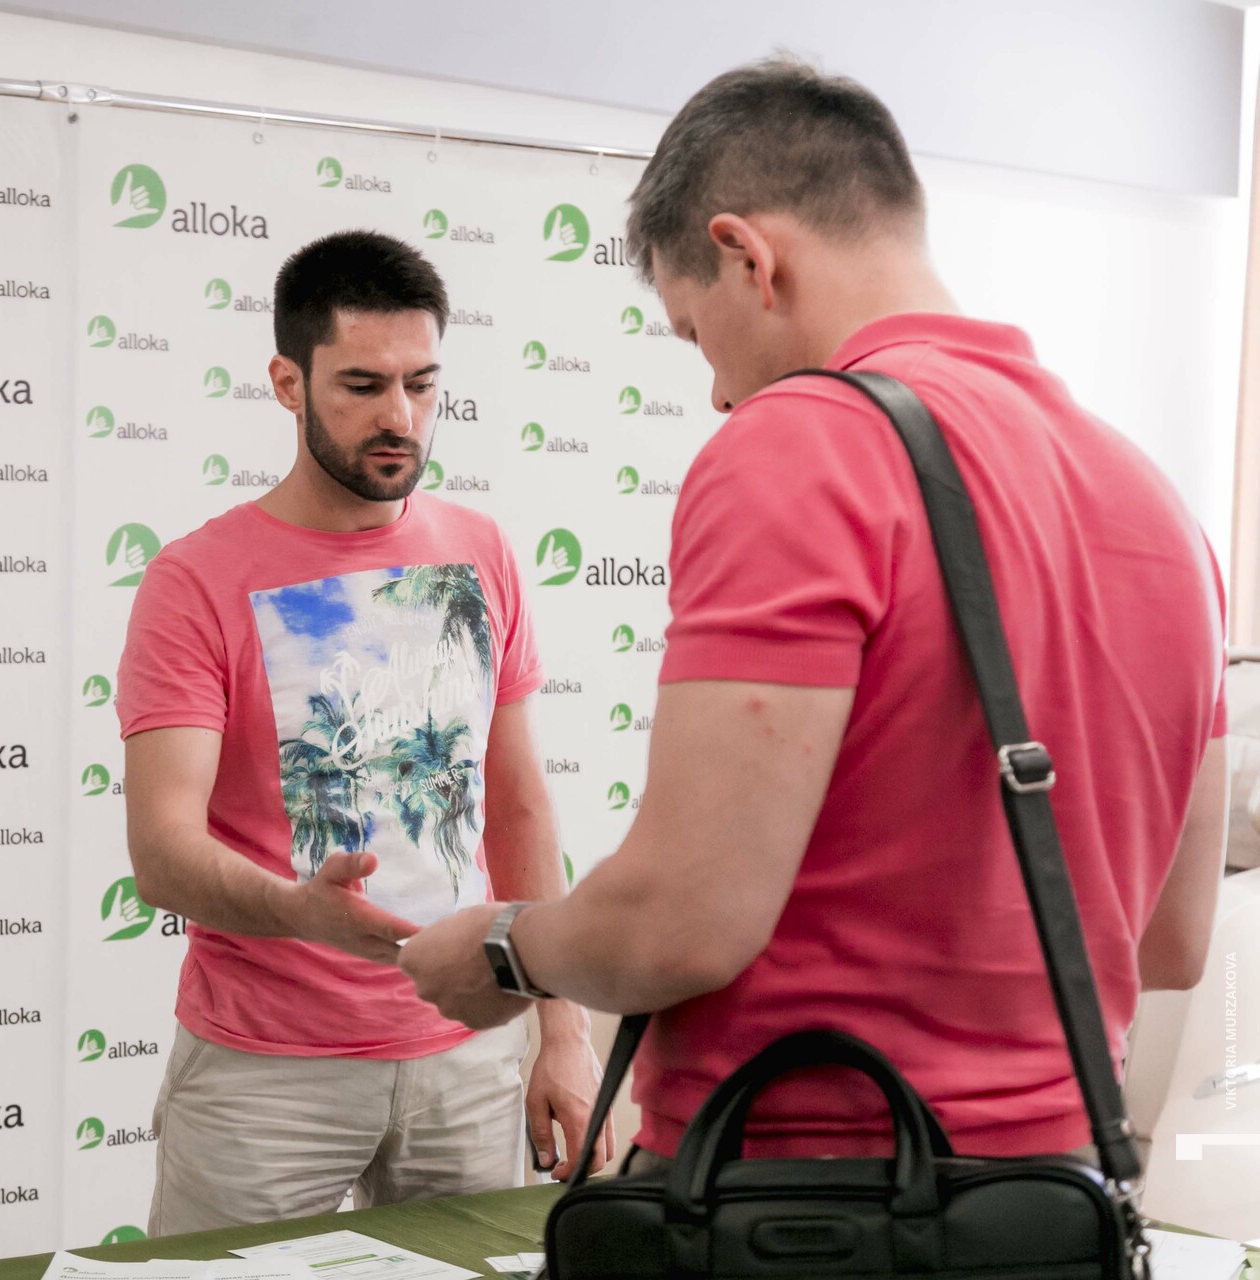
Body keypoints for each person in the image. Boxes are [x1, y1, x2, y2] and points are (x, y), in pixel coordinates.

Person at [400, 57, 1229, 1171]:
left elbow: (680, 919)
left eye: (695, 332)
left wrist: (505, 950)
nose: (716, 391)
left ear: (750, 256)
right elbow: (1169, 942)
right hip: (1053, 1191)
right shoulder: (1159, 503)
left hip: (799, 1193)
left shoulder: (805, 442)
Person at [117, 230, 610, 1231]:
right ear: (287, 383)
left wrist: (561, 1030)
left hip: (468, 1047)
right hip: (265, 1073)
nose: (400, 417)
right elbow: (163, 852)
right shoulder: (196, 580)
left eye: (422, 385)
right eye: (362, 385)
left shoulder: (480, 551)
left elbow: (518, 806)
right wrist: (300, 912)